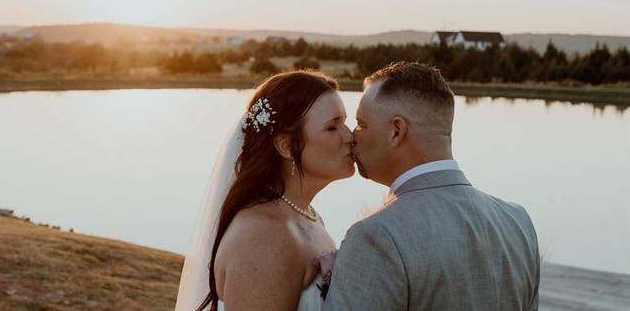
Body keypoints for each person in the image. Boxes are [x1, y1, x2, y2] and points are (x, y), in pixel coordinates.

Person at [323, 61, 540, 310]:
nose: (353, 135)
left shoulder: (376, 238)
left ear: (396, 131)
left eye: (362, 124)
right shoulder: (517, 221)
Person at [176, 70, 355, 310]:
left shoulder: (305, 215)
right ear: (286, 146)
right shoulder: (263, 240)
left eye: (344, 121)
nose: (350, 136)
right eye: (332, 127)